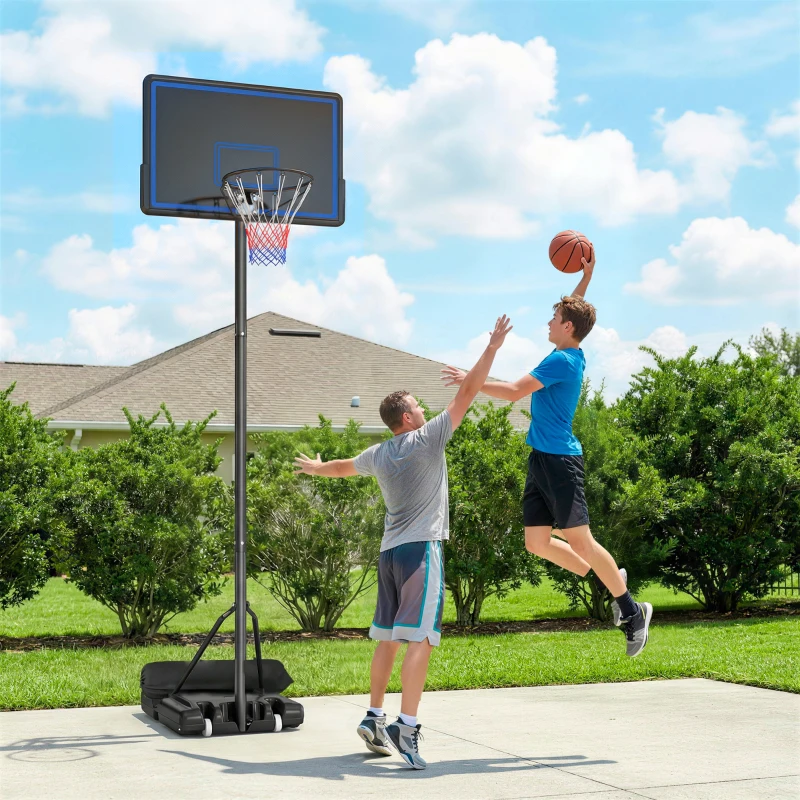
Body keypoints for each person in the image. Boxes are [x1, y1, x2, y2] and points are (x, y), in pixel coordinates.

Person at [294, 315, 512, 770]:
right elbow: (468, 393)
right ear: (410, 417)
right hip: (420, 551)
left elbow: (340, 466)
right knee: (422, 640)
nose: (423, 408)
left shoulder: (378, 454)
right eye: (418, 405)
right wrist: (491, 348)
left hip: (389, 553)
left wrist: (315, 468)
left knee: (389, 638)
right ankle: (405, 727)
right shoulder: (428, 438)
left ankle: (374, 716)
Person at [441, 251, 652, 657]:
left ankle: (630, 610)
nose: (549, 323)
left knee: (582, 541)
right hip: (541, 459)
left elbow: (512, 391)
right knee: (537, 543)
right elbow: (576, 315)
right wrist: (584, 281)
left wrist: (469, 379)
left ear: (567, 327)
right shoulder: (571, 347)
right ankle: (610, 577)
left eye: (554, 319)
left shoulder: (562, 361)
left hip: (559, 462)